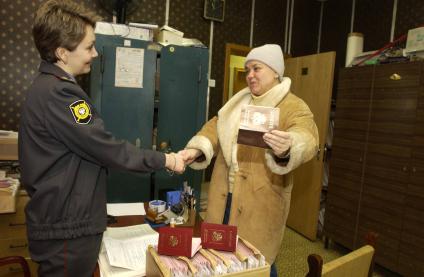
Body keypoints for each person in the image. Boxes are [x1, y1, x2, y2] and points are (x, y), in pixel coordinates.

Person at [18, 1, 185, 276]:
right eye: (88, 46)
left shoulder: (47, 87)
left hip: (60, 223)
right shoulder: (61, 95)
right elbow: (106, 148)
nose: (95, 53)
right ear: (62, 52)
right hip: (67, 230)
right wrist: (166, 159)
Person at [180, 44, 319, 276]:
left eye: (257, 68)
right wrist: (197, 148)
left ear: (275, 71)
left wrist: (290, 144)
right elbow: (215, 127)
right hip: (223, 197)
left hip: (261, 202)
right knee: (220, 257)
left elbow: (308, 136)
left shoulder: (293, 105)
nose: (250, 75)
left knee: (257, 263)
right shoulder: (236, 102)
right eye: (247, 70)